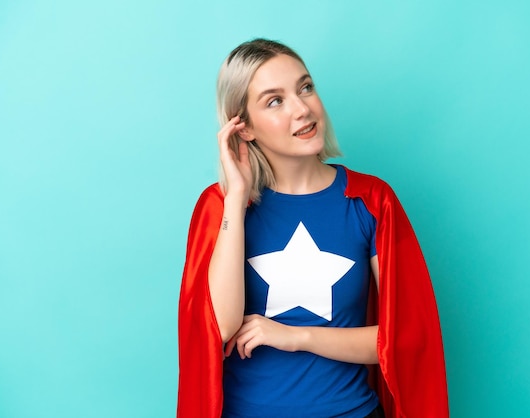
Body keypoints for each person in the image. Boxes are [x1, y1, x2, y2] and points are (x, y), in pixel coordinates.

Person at [177, 38, 448, 418]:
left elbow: (403, 339)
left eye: (305, 88)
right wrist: (236, 197)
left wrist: (295, 337)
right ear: (245, 127)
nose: (302, 109)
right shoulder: (220, 206)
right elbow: (219, 328)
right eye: (275, 100)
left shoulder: (371, 200)